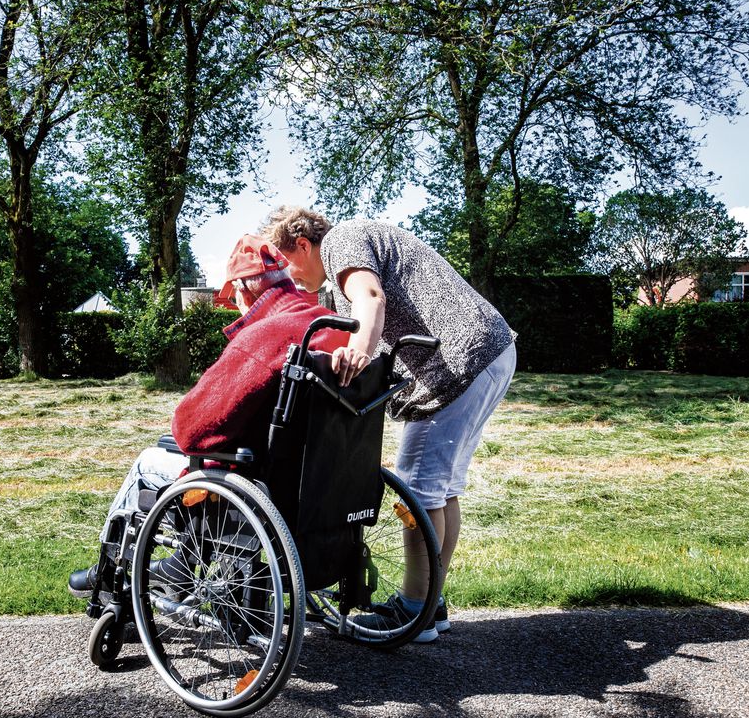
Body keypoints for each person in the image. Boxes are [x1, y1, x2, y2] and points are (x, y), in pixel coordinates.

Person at [262, 207, 517, 642]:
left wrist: (358, 352)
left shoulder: (343, 241)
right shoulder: (341, 272)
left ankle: (413, 613)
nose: (288, 274)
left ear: (303, 245)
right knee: (441, 488)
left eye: (285, 261)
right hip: (490, 352)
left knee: (418, 487)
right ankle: (430, 604)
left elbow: (372, 300)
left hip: (457, 362)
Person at [69, 234, 350, 597]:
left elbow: (192, 429)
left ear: (243, 291)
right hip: (325, 480)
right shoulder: (333, 325)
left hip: (262, 481)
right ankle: (182, 563)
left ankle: (111, 576)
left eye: (232, 295)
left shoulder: (264, 336)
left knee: (151, 458)